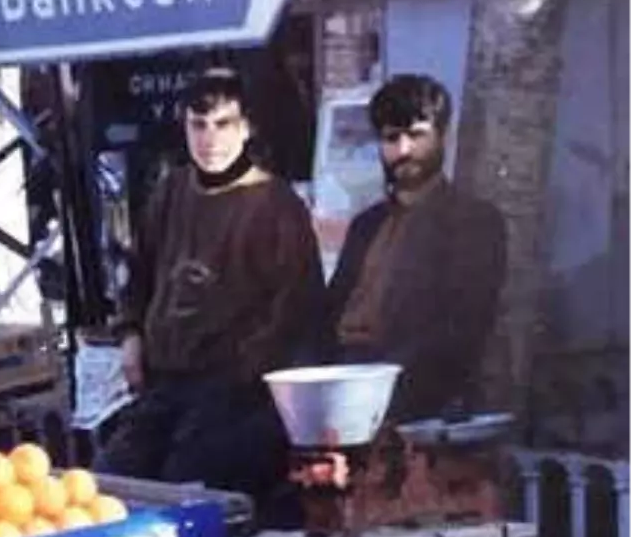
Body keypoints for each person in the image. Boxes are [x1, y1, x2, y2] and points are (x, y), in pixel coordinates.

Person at [96, 66, 329, 496]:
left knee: (186, 484)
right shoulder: (171, 191)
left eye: (223, 125)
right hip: (164, 384)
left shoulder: (275, 205)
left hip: (236, 394)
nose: (209, 138)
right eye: (197, 125)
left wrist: (237, 374)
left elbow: (295, 310)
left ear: (246, 128)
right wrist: (131, 334)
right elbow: (139, 273)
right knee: (112, 477)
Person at [327, 74, 507, 422]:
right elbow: (329, 313)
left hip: (414, 392)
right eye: (392, 138)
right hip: (341, 381)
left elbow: (462, 332)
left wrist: (376, 386)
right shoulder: (367, 225)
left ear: (443, 136)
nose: (404, 150)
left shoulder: (472, 221)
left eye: (417, 135)